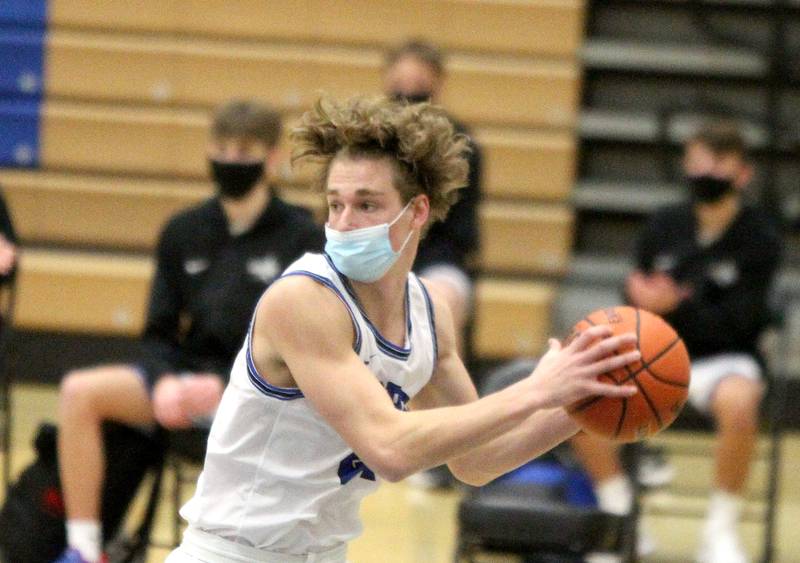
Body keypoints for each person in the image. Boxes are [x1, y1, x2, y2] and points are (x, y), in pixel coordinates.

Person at [165, 95, 642, 563]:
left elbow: (476, 461)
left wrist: (583, 401)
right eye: (336, 205)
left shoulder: (430, 311)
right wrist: (539, 389)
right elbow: (389, 448)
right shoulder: (303, 302)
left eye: (367, 205)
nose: (345, 223)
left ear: (416, 211)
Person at [54, 99, 324, 563]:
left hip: (263, 391)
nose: (230, 162)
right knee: (80, 391)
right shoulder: (183, 230)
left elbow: (308, 347)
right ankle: (83, 549)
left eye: (244, 151)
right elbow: (158, 332)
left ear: (271, 159)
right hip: (185, 381)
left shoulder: (300, 236)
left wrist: (223, 385)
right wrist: (162, 383)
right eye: (220, 149)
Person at [570, 120, 782, 563]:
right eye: (697, 164)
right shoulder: (664, 223)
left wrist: (677, 307)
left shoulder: (761, 236)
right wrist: (640, 300)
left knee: (741, 403)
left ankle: (720, 532)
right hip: (652, 352)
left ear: (742, 174)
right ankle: (620, 519)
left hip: (725, 358)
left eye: (718, 165)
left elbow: (741, 321)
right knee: (575, 396)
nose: (705, 174)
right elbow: (634, 295)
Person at [383, 39, 482, 357]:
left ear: (438, 85)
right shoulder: (370, 139)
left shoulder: (461, 145)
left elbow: (461, 232)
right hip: (377, 253)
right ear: (386, 81)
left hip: (438, 258)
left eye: (419, 86)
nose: (409, 94)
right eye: (400, 85)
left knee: (439, 303)